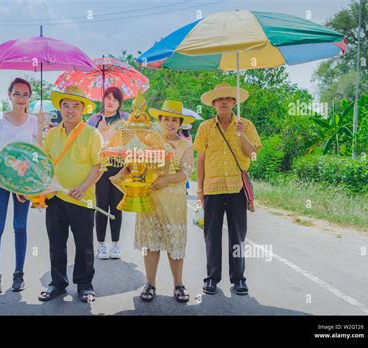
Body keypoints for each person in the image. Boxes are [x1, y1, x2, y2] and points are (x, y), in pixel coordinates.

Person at [115, 100, 195, 303]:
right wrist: (124, 171)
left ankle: (178, 285)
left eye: (174, 120)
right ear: (159, 121)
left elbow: (185, 173)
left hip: (174, 202)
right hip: (149, 199)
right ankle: (150, 284)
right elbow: (135, 161)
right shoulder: (149, 140)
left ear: (180, 123)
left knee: (174, 244)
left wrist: (165, 180)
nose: (170, 123)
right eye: (166, 119)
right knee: (151, 244)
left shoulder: (186, 145)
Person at [194, 84, 261, 296]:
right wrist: (199, 190)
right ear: (213, 104)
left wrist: (242, 135)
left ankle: (239, 279)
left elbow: (253, 155)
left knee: (237, 235)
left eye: (228, 98)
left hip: (236, 187)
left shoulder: (246, 124)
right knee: (211, 236)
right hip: (212, 187)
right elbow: (201, 160)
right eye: (219, 99)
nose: (223, 101)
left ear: (234, 102)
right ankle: (212, 278)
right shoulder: (205, 127)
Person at [38, 86, 103, 303]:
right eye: (65, 105)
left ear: (83, 109)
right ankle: (57, 283)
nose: (70, 110)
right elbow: (44, 164)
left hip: (82, 198)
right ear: (59, 108)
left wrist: (83, 187)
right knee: (56, 243)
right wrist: (45, 185)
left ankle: (85, 285)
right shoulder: (51, 134)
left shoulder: (92, 133)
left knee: (84, 244)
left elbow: (98, 166)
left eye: (76, 106)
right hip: (55, 197)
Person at [0, 77, 44, 294]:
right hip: (0, 181)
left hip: (23, 183)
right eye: (17, 93)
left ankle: (19, 274)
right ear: (9, 95)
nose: (21, 98)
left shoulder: (33, 121)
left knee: (20, 227)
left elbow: (39, 154)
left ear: (30, 98)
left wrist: (42, 127)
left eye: (25, 94)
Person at [87, 87, 129, 260]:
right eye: (108, 97)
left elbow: (131, 142)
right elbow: (87, 143)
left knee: (117, 206)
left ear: (119, 103)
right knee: (101, 206)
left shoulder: (125, 119)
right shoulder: (94, 120)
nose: (111, 101)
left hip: (119, 168)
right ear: (103, 99)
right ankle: (102, 245)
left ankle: (116, 245)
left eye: (115, 99)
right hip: (100, 169)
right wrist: (100, 132)